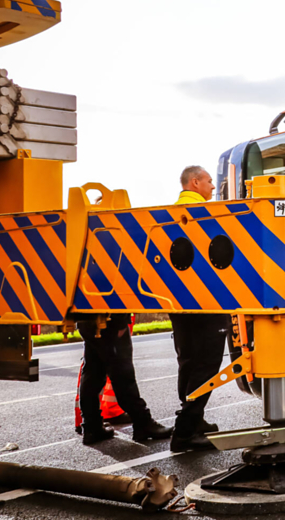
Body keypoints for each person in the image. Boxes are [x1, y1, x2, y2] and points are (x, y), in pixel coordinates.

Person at [170, 165, 229, 452]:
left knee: (188, 362)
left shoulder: (167, 214)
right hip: (208, 302)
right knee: (206, 366)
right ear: (195, 183)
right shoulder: (208, 214)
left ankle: (195, 420)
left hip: (178, 304)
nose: (213, 187)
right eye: (208, 181)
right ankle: (184, 432)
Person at [77, 314, 173, 445]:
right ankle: (143, 423)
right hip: (110, 320)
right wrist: (121, 322)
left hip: (86, 318)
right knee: (122, 372)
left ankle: (91, 427)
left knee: (93, 372)